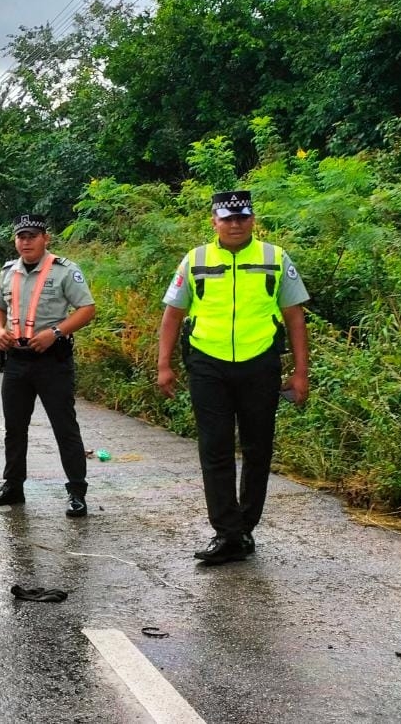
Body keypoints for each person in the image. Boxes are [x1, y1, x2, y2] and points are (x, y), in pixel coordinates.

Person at [157, 190, 310, 565]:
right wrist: (164, 364)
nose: (235, 224)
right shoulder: (195, 260)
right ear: (214, 221)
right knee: (215, 449)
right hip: (209, 364)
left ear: (253, 220)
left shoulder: (275, 258)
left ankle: (244, 527)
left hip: (260, 363)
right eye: (227, 218)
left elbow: (294, 316)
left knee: (258, 449)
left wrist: (301, 372)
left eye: (242, 217)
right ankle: (227, 533)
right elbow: (173, 315)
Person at [0, 214, 98, 517]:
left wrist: (56, 332)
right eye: (21, 236)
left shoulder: (65, 271)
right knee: (14, 428)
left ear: (45, 238)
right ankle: (13, 487)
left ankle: (76, 491)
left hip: (52, 361)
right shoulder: (8, 271)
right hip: (16, 362)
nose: (26, 241)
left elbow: (87, 309)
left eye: (32, 236)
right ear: (15, 240)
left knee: (65, 428)